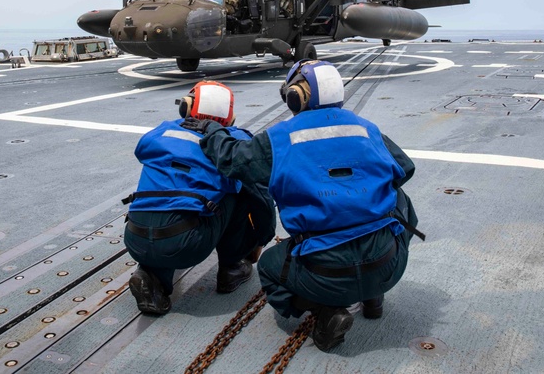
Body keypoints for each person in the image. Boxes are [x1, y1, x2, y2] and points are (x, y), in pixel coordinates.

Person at [193, 60, 422, 351]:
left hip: (325, 274)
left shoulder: (279, 138)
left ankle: (327, 312)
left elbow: (232, 160)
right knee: (402, 202)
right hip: (387, 264)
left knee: (269, 267)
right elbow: (405, 168)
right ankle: (373, 297)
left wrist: (211, 130)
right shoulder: (366, 128)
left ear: (296, 96)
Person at [123, 80, 276, 316]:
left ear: (187, 108)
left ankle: (150, 275)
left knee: (167, 197)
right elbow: (261, 197)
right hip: (186, 244)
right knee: (239, 191)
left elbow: (141, 149)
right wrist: (261, 239)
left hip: (135, 237)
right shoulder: (235, 141)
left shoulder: (163, 131)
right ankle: (231, 267)